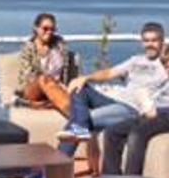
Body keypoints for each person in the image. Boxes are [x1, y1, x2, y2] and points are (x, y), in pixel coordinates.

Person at [57, 22, 168, 154]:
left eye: (154, 40)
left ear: (162, 41)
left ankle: (57, 162)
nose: (150, 44)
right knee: (79, 87)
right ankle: (80, 124)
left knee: (82, 122)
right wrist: (86, 78)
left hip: (132, 108)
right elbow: (110, 73)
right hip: (116, 99)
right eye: (146, 41)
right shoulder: (136, 60)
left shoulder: (165, 63)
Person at [101, 44, 169, 175]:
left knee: (136, 134)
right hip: (153, 111)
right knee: (112, 132)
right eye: (165, 66)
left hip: (166, 114)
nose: (167, 69)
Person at [15, 13, 73, 115]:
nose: (49, 32)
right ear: (36, 28)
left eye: (52, 29)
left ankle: (46, 104)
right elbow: (27, 77)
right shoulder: (28, 48)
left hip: (55, 90)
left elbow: (66, 74)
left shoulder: (59, 46)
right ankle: (74, 115)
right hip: (33, 90)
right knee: (43, 79)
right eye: (45, 28)